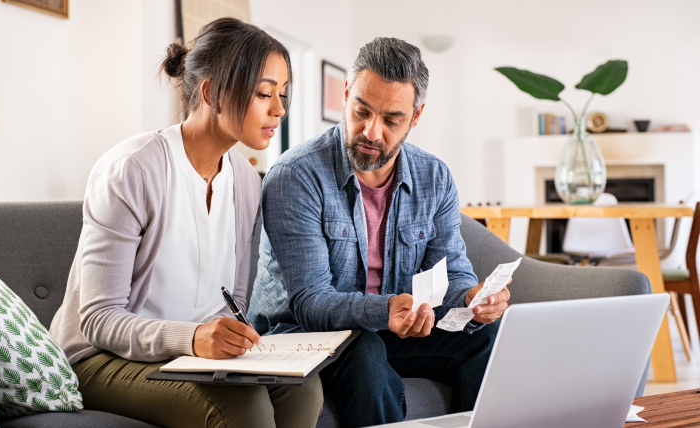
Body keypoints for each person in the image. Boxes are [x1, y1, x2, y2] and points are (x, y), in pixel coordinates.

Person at [49, 18, 323, 428]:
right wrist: (192, 339)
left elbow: (236, 301)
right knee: (243, 408)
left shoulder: (248, 182)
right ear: (211, 92)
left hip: (190, 355)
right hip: (99, 358)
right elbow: (98, 319)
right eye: (264, 93)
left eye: (282, 94)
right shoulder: (132, 170)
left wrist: (236, 338)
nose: (279, 109)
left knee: (303, 389)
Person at [248, 37, 510, 428]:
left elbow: (452, 273)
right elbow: (310, 301)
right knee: (365, 349)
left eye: (391, 120)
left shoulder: (434, 177)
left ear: (415, 117)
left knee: (491, 337)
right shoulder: (296, 176)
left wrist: (473, 298)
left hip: (389, 326)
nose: (371, 132)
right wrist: (386, 311)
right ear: (347, 95)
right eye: (362, 111)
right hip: (300, 332)